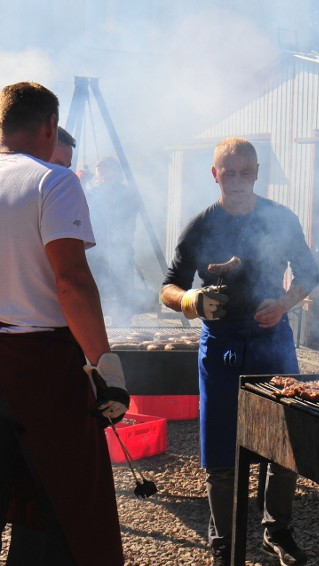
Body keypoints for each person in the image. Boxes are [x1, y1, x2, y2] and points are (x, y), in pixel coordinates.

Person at [160, 136, 319, 566]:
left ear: (257, 174)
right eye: (227, 172)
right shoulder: (199, 226)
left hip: (273, 342)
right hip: (221, 345)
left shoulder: (281, 219)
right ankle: (224, 540)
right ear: (215, 174)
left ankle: (278, 531)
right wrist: (192, 301)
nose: (236, 180)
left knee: (283, 439)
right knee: (220, 445)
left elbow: (309, 273)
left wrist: (284, 303)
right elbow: (168, 287)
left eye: (244, 172)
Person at [0, 82, 128, 564]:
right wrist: (105, 367)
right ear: (50, 127)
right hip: (42, 367)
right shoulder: (53, 180)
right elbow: (71, 281)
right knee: (67, 501)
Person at [85, 156, 141, 325]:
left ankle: (123, 328)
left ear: (116, 173)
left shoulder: (127, 195)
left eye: (105, 172)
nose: (101, 177)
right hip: (95, 256)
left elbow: (126, 220)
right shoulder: (90, 194)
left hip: (121, 254)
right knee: (94, 299)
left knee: (123, 300)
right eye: (99, 173)